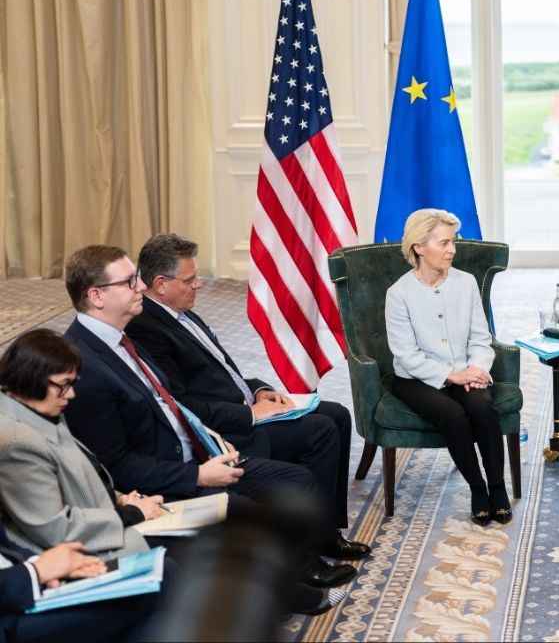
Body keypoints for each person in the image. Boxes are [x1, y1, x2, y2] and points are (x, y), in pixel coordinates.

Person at [59, 245, 357, 592]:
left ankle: (299, 562)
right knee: (295, 475)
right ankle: (290, 580)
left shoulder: (120, 339)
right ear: (96, 296)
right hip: (172, 477)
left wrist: (212, 438)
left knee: (306, 461)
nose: (139, 287)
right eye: (129, 282)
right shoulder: (85, 365)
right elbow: (114, 465)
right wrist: (198, 472)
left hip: (203, 446)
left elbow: (180, 397)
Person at [124, 233, 366, 560]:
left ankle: (327, 530)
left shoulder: (180, 312)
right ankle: (311, 541)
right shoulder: (147, 329)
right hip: (227, 428)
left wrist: (259, 390)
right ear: (161, 283)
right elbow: (182, 406)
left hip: (245, 405)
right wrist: (252, 413)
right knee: (320, 432)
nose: (198, 285)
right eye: (191, 279)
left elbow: (223, 370)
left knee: (336, 414)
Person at [384, 209, 510, 527]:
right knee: (453, 415)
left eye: (453, 242)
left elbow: (482, 339)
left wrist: (477, 370)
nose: (452, 249)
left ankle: (498, 489)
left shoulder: (466, 283)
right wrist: (451, 375)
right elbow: (406, 355)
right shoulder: (398, 294)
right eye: (444, 243)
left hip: (466, 371)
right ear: (419, 247)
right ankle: (478, 490)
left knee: (482, 408)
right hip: (415, 378)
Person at [0, 329, 161, 559]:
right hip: (69, 557)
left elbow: (73, 478)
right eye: (65, 384)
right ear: (31, 377)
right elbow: (55, 528)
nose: (71, 394)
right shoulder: (17, 441)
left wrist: (116, 498)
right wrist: (130, 514)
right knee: (174, 555)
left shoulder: (36, 407)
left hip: (92, 531)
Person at [1, 522, 159, 642]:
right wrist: (34, 572)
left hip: (27, 585)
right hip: (8, 619)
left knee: (155, 582)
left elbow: (6, 548)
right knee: (162, 578)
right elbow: (55, 526)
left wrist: (44, 565)